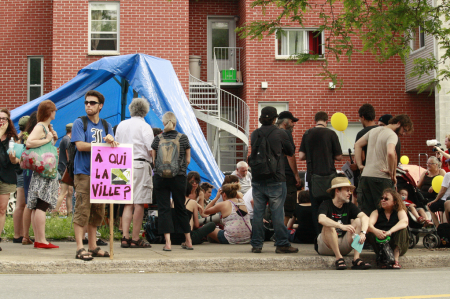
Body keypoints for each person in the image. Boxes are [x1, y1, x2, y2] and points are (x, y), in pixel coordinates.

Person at [72, 90, 117, 260]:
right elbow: (80, 146)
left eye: (92, 103)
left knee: (97, 212)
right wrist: (100, 145)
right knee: (82, 210)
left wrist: (112, 142)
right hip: (83, 173)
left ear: (100, 106)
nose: (88, 105)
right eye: (86, 103)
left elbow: (112, 146)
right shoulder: (80, 122)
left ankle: (92, 246)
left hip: (101, 174)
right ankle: (79, 248)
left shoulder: (106, 125)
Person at [250, 106, 297, 254]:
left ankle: (257, 244)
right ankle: (282, 243)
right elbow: (291, 151)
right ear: (275, 119)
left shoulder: (254, 134)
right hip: (276, 178)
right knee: (277, 213)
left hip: (257, 178)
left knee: (258, 212)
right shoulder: (281, 133)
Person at [355, 114, 414, 216]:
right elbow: (390, 153)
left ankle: (367, 231)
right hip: (381, 177)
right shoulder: (392, 135)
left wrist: (360, 165)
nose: (404, 134)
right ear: (398, 123)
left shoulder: (373, 130)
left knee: (366, 212)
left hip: (365, 176)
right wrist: (392, 172)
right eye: (404, 130)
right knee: (384, 211)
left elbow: (357, 145)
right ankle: (382, 231)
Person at [151, 111, 193, 251]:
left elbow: (154, 160)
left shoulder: (157, 139)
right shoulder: (183, 138)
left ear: (163, 123)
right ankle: (188, 241)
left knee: (164, 209)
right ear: (175, 123)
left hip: (160, 178)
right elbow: (187, 160)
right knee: (181, 207)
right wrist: (179, 170)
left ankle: (168, 243)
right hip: (178, 177)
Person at [115, 98, 154, 249]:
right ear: (145, 111)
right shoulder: (145, 126)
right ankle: (136, 237)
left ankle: (124, 236)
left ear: (131, 109)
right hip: (139, 163)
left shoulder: (121, 125)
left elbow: (116, 144)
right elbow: (151, 149)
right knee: (139, 203)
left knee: (127, 203)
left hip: (121, 162)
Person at [299, 111, 342, 235]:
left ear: (315, 121)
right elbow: (339, 156)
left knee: (315, 207)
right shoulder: (331, 133)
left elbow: (301, 155)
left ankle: (319, 236)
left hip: (313, 176)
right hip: (329, 176)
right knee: (330, 205)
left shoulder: (307, 134)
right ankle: (331, 234)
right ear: (326, 121)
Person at [317, 176, 371, 270]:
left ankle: (356, 259)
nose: (350, 193)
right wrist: (340, 226)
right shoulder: (326, 204)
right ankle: (339, 258)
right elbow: (321, 219)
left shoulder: (349, 205)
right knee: (328, 225)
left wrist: (363, 232)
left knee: (359, 221)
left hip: (343, 243)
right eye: (347, 190)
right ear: (337, 191)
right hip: (326, 245)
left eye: (350, 190)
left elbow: (365, 217)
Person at [26, 100, 60, 249]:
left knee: (37, 205)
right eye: (53, 110)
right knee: (42, 204)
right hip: (44, 173)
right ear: (49, 112)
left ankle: (39, 238)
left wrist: (51, 141)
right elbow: (29, 142)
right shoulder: (41, 127)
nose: (55, 112)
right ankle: (41, 239)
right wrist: (47, 139)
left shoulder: (46, 127)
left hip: (43, 171)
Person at [367, 189, 409, 269]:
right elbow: (369, 225)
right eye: (382, 198)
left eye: (386, 199)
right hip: (381, 242)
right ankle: (384, 258)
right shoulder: (376, 212)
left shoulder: (399, 211)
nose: (383, 200)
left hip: (397, 243)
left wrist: (389, 232)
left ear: (394, 202)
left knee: (403, 229)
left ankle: (395, 260)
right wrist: (376, 231)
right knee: (370, 232)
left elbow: (404, 222)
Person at [0, 108, 21, 251]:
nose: (1, 121)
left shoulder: (14, 138)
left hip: (6, 176)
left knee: (2, 209)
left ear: (9, 121)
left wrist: (14, 159)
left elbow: (17, 161)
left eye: (4, 119)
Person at [171, 182, 216, 247]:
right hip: (187, 237)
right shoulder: (192, 202)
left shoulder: (172, 201)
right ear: (190, 191)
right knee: (212, 225)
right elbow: (197, 225)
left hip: (172, 238)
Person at [276, 111, 301, 226]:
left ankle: (276, 230)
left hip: (274, 174)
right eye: (292, 121)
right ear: (285, 123)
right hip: (286, 174)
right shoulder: (286, 134)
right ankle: (281, 232)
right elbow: (291, 156)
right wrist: (296, 174)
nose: (293, 124)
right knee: (288, 204)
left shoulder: (272, 133)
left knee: (276, 204)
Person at [351, 104, 377, 202]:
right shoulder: (382, 131)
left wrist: (357, 166)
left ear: (363, 117)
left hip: (366, 174)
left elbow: (362, 156)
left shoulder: (362, 133)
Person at [21, 112, 37, 245]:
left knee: (28, 203)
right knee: (33, 204)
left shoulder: (25, 136)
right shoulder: (35, 135)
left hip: (27, 171)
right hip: (34, 170)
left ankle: (25, 235)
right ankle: (32, 236)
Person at [12, 115, 29, 243]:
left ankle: (20, 233)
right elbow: (18, 160)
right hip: (22, 172)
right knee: (21, 204)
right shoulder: (22, 139)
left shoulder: (17, 137)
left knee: (21, 204)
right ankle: (18, 234)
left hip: (20, 173)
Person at [54, 123, 73, 216]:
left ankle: (69, 212)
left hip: (64, 168)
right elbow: (68, 155)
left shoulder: (64, 139)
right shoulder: (68, 140)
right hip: (66, 169)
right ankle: (55, 211)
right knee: (64, 192)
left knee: (70, 191)